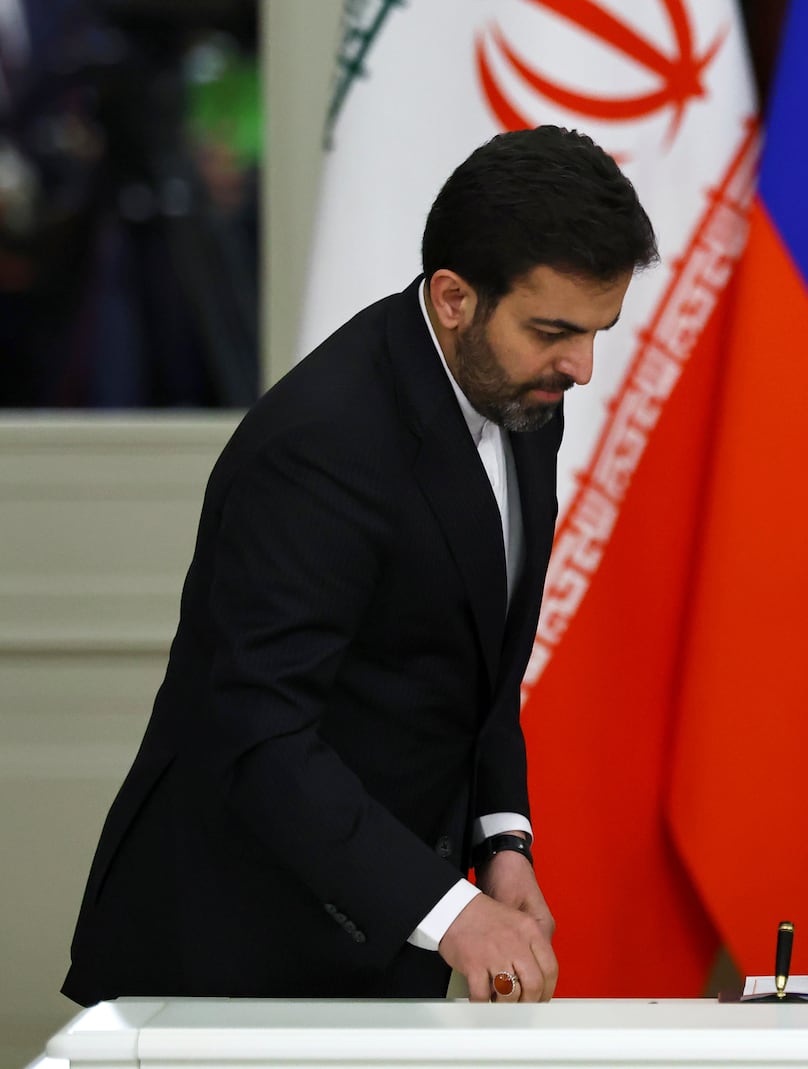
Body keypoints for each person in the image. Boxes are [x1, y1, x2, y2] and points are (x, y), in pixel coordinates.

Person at [62, 125, 657, 1005]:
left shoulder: (523, 388)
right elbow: (262, 733)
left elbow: (478, 654)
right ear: (454, 297)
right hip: (228, 957)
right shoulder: (322, 445)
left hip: (385, 943)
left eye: (597, 330)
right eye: (555, 331)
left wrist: (501, 839)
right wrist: (449, 912)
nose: (583, 366)